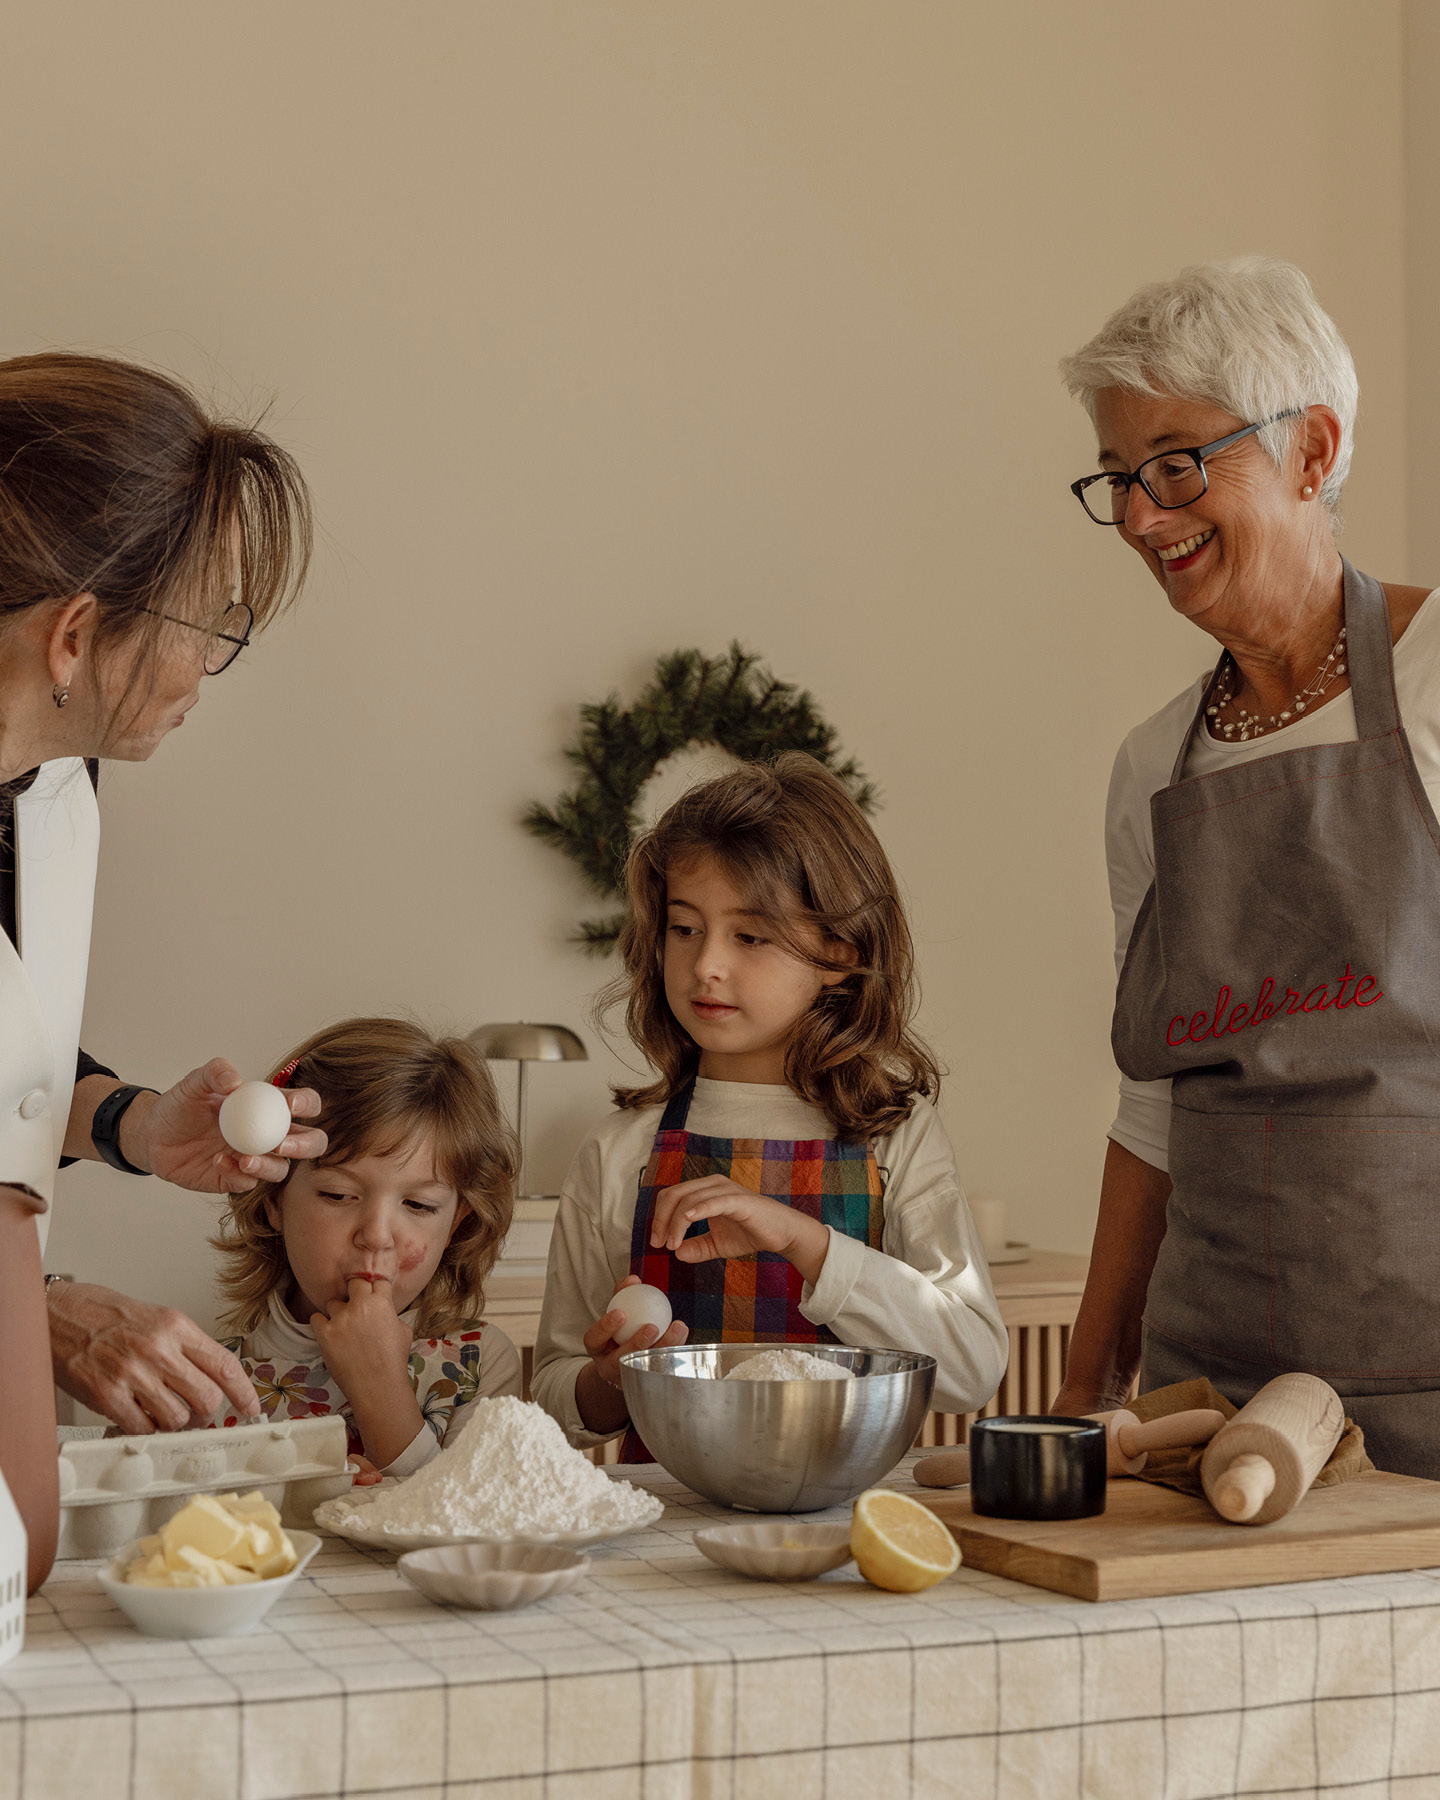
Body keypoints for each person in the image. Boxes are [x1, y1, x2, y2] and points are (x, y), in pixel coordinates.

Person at [1051, 256, 1440, 1475]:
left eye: (1175, 463)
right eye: (1119, 479)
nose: (1143, 517)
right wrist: (1084, 1395)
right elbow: (1152, 1108)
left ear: (1313, 452)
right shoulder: (1149, 769)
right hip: (1200, 1404)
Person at [0, 351, 324, 1438]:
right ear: (78, 637)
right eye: (208, 622)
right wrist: (39, 1318)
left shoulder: (55, 783)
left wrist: (135, 1125)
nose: (207, 666)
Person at [532, 753, 1007, 1453]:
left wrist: (803, 1241)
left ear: (839, 953)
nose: (706, 965)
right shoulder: (620, 1149)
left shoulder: (896, 1137)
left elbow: (971, 1371)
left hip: (846, 1525)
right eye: (684, 927)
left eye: (749, 936)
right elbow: (550, 1389)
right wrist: (608, 1380)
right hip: (665, 1528)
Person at [209, 1018, 522, 1474]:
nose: (376, 1235)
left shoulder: (478, 1365)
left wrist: (381, 1392)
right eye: (338, 1195)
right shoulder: (205, 1379)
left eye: (418, 1204)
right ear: (272, 1200)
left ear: (456, 1223)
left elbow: (470, 1531)